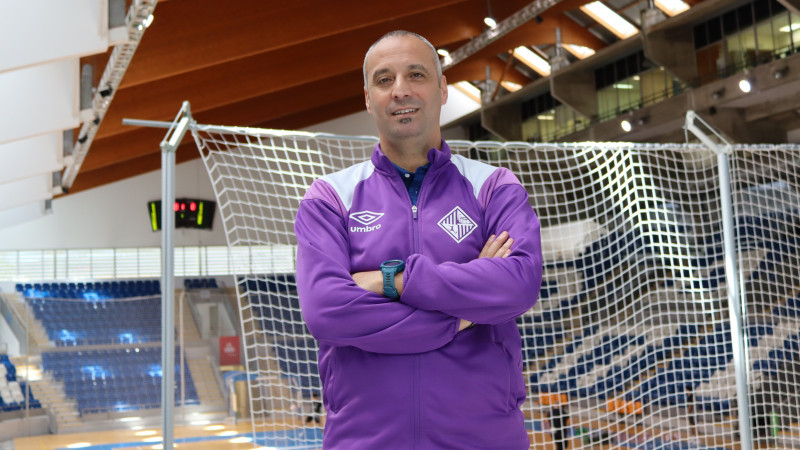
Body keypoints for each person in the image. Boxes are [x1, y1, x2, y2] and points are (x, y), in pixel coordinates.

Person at [294, 30, 543, 449]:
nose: (401, 90)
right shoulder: (330, 198)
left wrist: (393, 280)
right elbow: (326, 310)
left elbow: (518, 284)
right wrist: (460, 316)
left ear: (443, 88)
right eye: (384, 79)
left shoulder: (493, 186)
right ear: (368, 97)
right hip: (365, 441)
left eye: (416, 74)